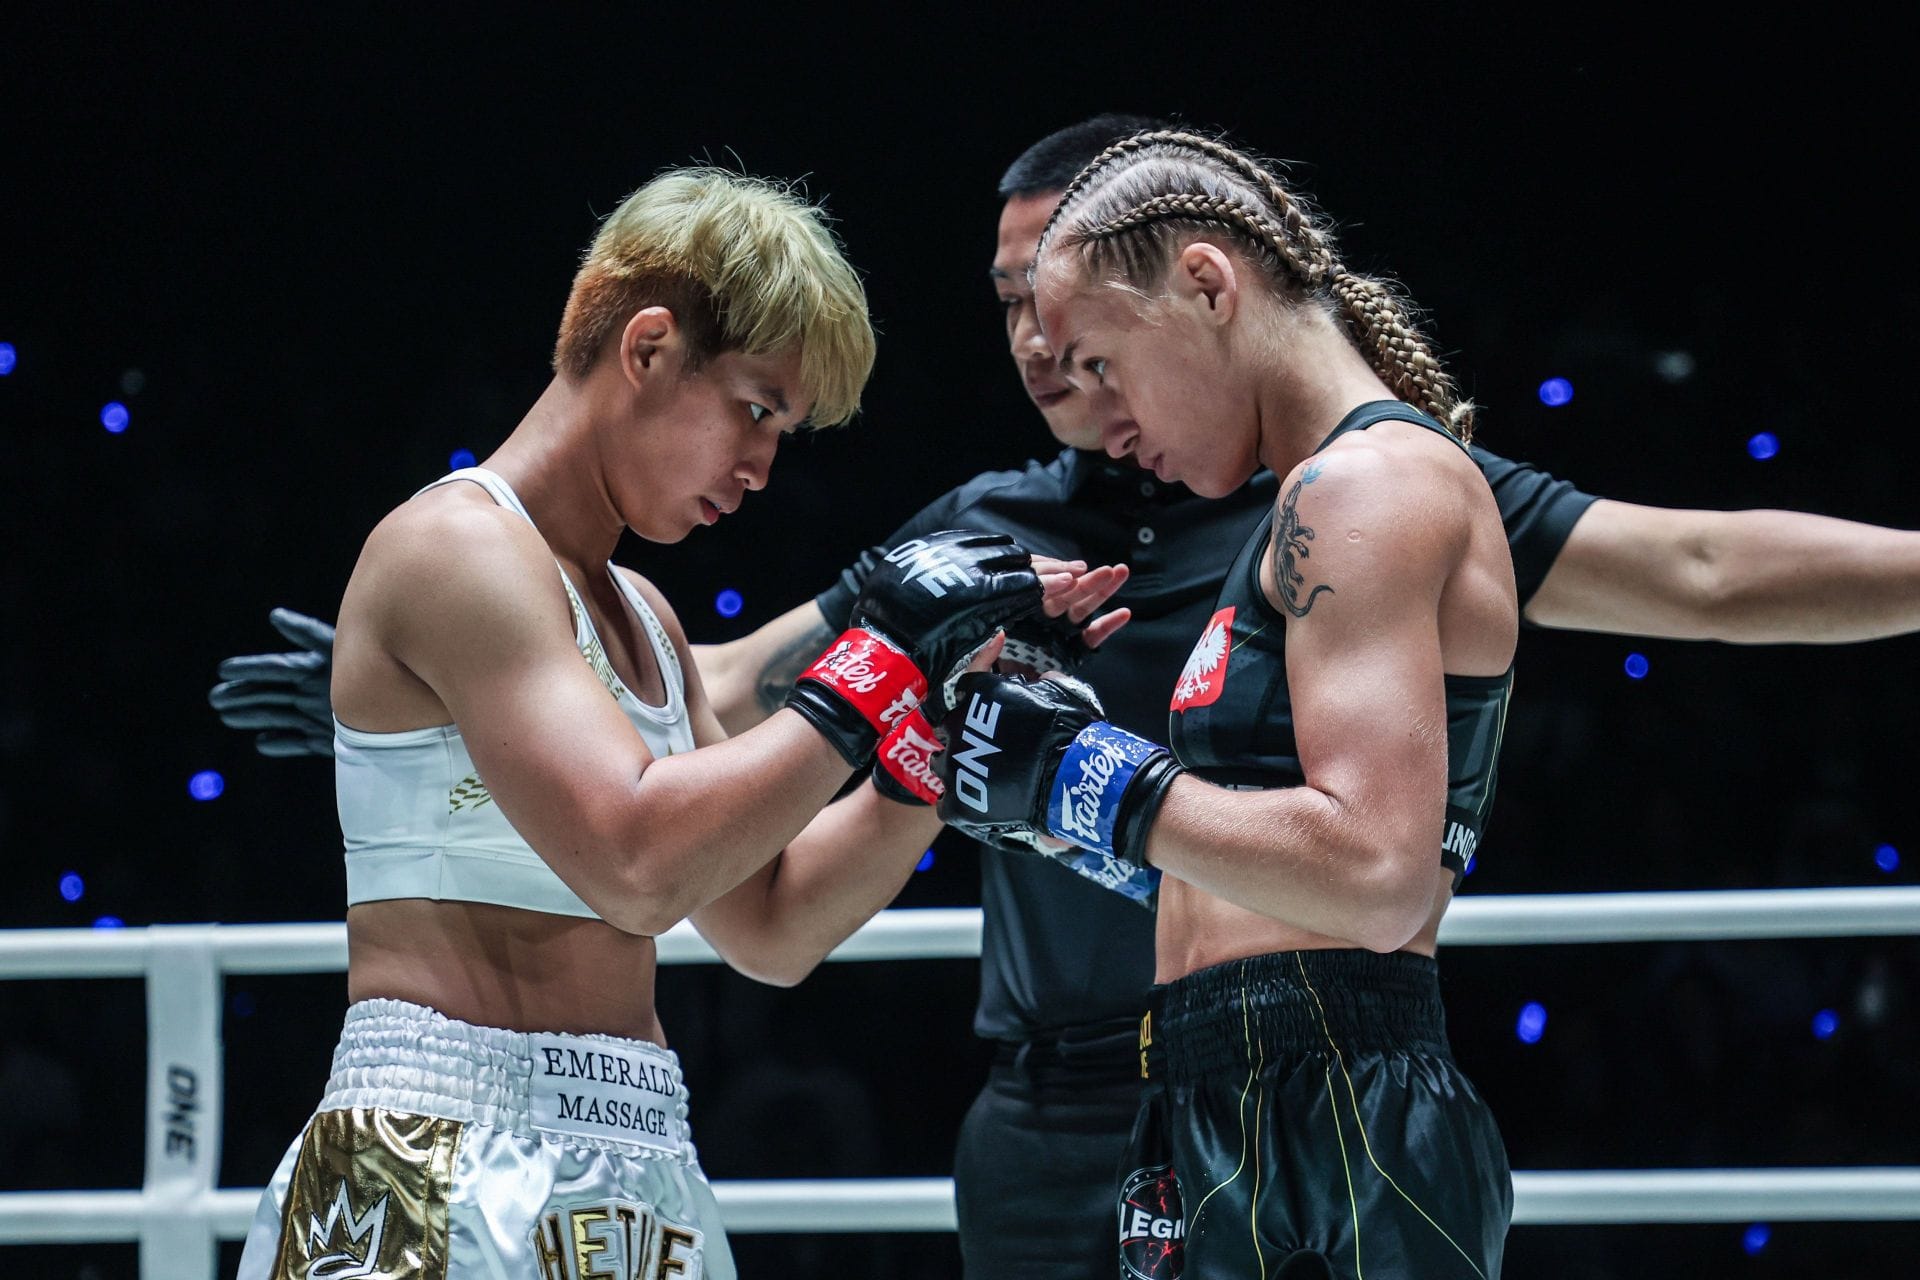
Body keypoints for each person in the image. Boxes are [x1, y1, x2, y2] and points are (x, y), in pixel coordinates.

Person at [213, 118, 1920, 1280]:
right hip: (1049, 1104)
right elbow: (724, 720)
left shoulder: (1361, 491)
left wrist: (973, 732)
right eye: (1024, 326)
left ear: (1193, 283)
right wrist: (431, 676)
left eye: (1083, 335)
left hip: (1283, 1070)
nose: (1052, 365)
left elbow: (1692, 569)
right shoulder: (984, 526)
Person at [231, 165, 1121, 1280]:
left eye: (782, 431)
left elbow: (772, 923)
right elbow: (636, 861)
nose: (759, 468)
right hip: (433, 1151)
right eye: (756, 408)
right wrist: (879, 653)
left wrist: (931, 741)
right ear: (647, 347)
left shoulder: (645, 617)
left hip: (636, 1158)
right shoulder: (453, 548)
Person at [943, 126, 1520, 1276]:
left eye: (1103, 361)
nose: (1104, 412)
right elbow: (1256, 854)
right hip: (1218, 1080)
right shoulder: (1299, 507)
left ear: (1207, 285)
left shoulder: (1368, 484)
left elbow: (1373, 870)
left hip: (1332, 1101)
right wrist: (1038, 796)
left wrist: (1081, 772)